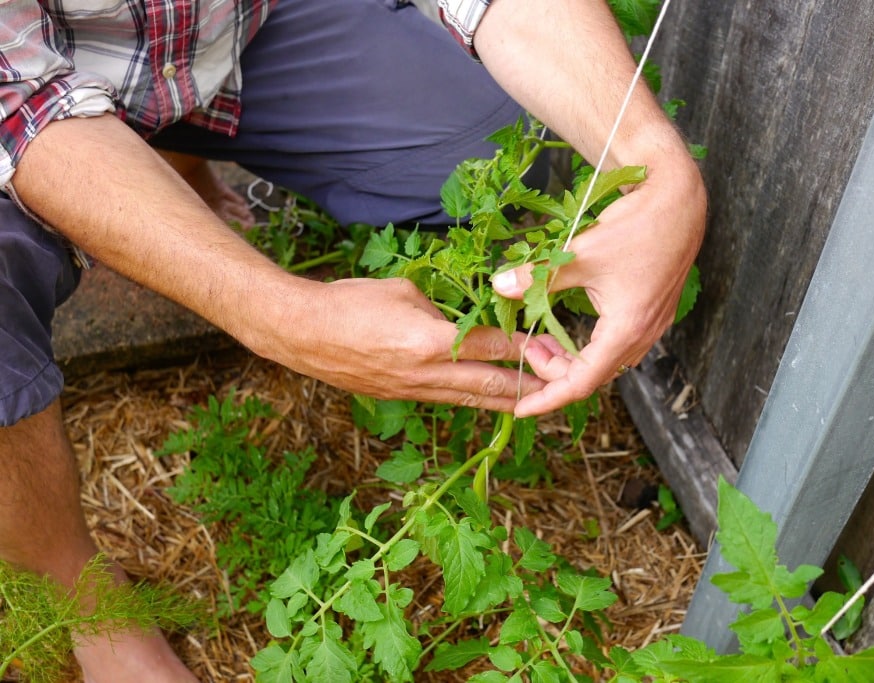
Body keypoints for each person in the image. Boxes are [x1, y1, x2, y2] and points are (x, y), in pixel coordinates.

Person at [0, 0, 706, 680]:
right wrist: (282, 315)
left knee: (494, 152)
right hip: (25, 94)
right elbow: (21, 106)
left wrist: (655, 163)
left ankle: (176, 147)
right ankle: (90, 606)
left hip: (229, 32)